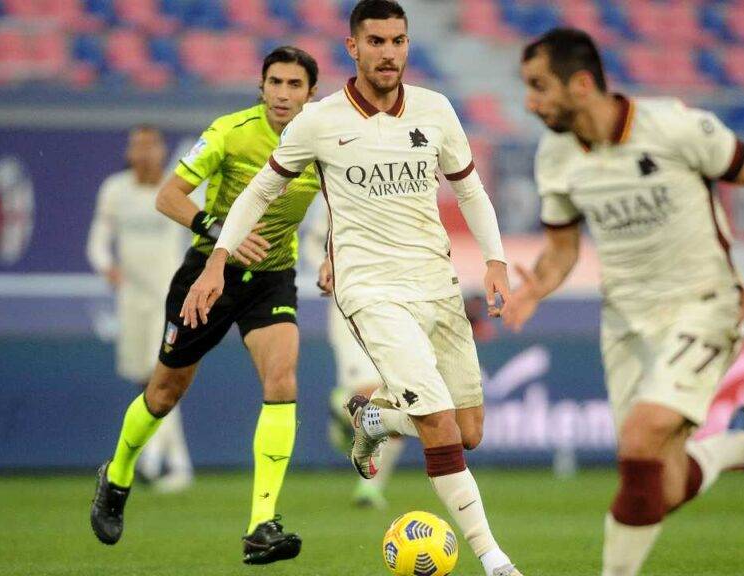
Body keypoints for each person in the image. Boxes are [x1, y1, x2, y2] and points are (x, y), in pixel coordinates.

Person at [181, 2, 524, 575]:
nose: (388, 53)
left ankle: (373, 421)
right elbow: (260, 193)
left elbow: (470, 191)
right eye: (376, 42)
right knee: (439, 425)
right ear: (353, 47)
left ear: (408, 45)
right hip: (370, 290)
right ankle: (494, 559)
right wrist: (217, 260)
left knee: (470, 432)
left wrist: (496, 262)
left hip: (436, 286)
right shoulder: (319, 121)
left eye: (397, 41)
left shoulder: (436, 110)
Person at [508, 28, 744, 576]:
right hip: (625, 324)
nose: (530, 102)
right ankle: (738, 448)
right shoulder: (555, 155)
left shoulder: (674, 126)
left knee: (641, 436)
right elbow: (562, 250)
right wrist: (536, 286)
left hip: (703, 305)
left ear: (582, 84)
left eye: (540, 87)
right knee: (655, 481)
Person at [90, 46, 322, 566]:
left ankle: (262, 523)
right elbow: (169, 196)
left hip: (272, 278)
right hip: (208, 274)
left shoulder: (322, 141)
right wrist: (222, 235)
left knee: (283, 380)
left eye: (294, 85)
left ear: (311, 93)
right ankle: (119, 474)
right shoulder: (229, 132)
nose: (283, 94)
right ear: (260, 87)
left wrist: (331, 254)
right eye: (275, 83)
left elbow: (343, 207)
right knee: (164, 392)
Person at [86, 125, 193, 494]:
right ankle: (178, 464)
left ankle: (150, 462)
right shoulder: (115, 190)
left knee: (158, 378)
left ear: (162, 151)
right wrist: (106, 266)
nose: (144, 153)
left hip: (169, 296)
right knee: (143, 381)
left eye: (151, 146)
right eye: (137, 146)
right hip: (131, 299)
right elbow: (98, 241)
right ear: (129, 152)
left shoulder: (176, 189)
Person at [302, 206, 405, 510]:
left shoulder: (403, 193)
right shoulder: (342, 191)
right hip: (352, 307)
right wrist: (325, 267)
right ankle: (346, 409)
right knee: (369, 391)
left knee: (400, 401)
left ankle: (370, 488)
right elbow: (315, 243)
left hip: (397, 310)